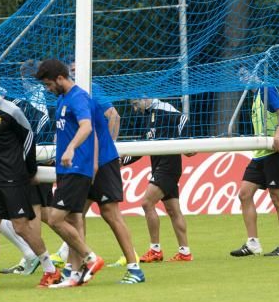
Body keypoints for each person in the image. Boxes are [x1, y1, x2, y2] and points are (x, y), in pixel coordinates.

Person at [0, 68, 61, 290]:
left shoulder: (11, 111)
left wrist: (29, 171)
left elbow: (28, 138)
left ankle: (51, 270)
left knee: (22, 228)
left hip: (14, 179)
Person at [35, 58, 105, 288]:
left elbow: (87, 126)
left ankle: (90, 258)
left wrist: (71, 148)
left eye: (48, 84)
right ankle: (75, 274)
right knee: (75, 220)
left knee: (55, 219)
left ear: (60, 78)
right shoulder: (64, 99)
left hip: (77, 167)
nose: (48, 89)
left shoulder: (78, 97)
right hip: (66, 168)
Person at [230, 67, 279, 258]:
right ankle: (253, 243)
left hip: (275, 152)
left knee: (277, 198)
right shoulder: (255, 96)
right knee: (244, 194)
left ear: (256, 73)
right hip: (259, 155)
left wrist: (277, 137)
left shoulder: (266, 89)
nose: (243, 79)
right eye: (239, 75)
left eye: (245, 74)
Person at [83, 89, 145, 285]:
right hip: (84, 163)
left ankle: (134, 268)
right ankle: (78, 265)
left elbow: (114, 116)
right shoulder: (66, 96)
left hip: (102, 162)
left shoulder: (90, 88)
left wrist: (108, 148)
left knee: (110, 213)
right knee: (71, 215)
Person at [125, 97, 194, 263]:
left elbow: (183, 118)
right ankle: (185, 252)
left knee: (146, 203)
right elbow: (143, 147)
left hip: (168, 167)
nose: (135, 109)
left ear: (145, 97)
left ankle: (155, 250)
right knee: (173, 210)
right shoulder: (150, 117)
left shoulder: (164, 108)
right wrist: (123, 160)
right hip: (160, 168)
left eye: (135, 104)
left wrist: (188, 142)